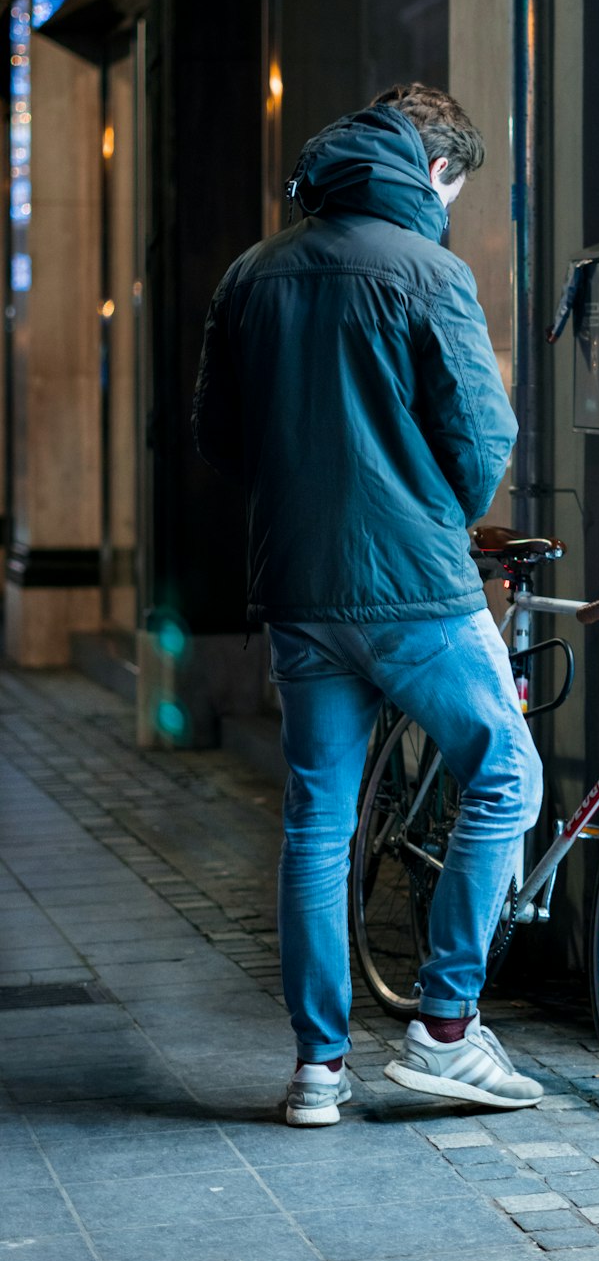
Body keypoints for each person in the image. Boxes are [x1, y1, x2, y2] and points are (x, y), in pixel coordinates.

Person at [192, 82, 544, 1125]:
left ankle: (318, 1070)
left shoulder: (250, 274)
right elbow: (483, 438)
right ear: (434, 172)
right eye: (457, 188)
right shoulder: (429, 272)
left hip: (297, 588)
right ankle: (444, 1030)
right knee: (505, 771)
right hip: (414, 589)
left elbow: (219, 438)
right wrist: (433, 509)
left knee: (317, 823)